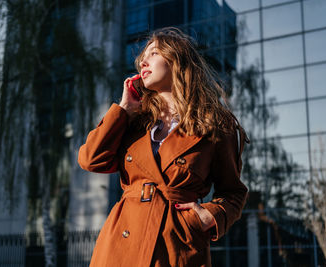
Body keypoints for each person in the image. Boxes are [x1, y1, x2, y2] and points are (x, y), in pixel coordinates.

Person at [78, 27, 249, 267]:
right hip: (121, 245)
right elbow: (91, 159)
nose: (143, 62)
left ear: (177, 60)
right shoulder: (134, 120)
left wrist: (210, 215)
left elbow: (233, 192)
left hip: (176, 245)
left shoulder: (216, 124)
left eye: (154, 53)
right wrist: (123, 110)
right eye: (141, 59)